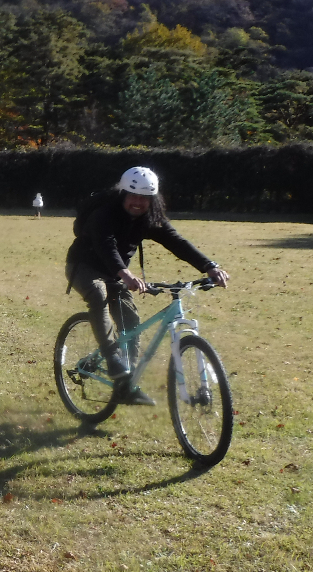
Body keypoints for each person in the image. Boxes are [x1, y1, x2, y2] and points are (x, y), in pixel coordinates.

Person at [65, 166, 229, 406]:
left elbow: (176, 242)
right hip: (84, 266)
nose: (138, 202)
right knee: (98, 295)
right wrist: (125, 274)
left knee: (130, 320)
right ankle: (113, 360)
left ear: (153, 199)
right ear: (123, 194)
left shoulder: (149, 218)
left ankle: (127, 382)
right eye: (133, 196)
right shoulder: (104, 212)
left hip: (116, 273)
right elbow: (105, 245)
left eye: (145, 197)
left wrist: (209, 266)